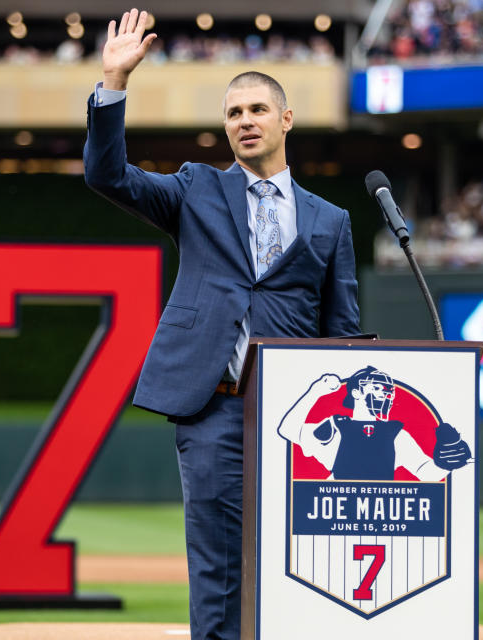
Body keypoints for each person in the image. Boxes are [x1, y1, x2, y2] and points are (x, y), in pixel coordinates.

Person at [82, 9, 360, 640]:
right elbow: (107, 176)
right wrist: (114, 84)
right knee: (218, 569)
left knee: (303, 564)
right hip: (216, 408)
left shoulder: (331, 221)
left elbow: (342, 332)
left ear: (285, 119)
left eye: (257, 110)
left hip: (304, 422)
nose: (245, 122)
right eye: (234, 114)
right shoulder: (195, 189)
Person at [277, 367, 471, 480]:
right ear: (356, 393)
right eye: (377, 388)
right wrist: (315, 392)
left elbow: (423, 471)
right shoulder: (336, 426)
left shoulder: (394, 433)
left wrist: (446, 463)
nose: (384, 395)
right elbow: (287, 430)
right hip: (337, 514)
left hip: (380, 515)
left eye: (387, 391)